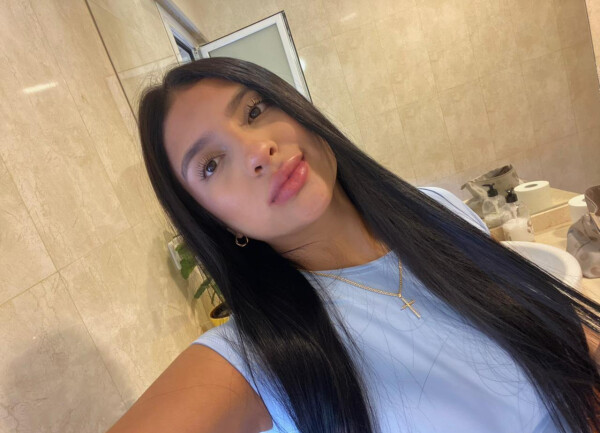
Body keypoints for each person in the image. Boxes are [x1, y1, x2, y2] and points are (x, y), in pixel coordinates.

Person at [106, 57, 600, 433]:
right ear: (210, 219)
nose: (258, 152)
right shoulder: (258, 356)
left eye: (255, 110)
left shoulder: (434, 209)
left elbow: (552, 336)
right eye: (211, 165)